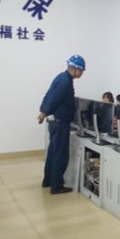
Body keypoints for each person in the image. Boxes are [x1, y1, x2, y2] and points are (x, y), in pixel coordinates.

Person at [38, 55, 85, 195]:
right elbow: (53, 98)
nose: (82, 73)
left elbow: (48, 95)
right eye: (81, 70)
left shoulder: (62, 78)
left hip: (55, 121)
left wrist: (43, 110)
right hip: (60, 123)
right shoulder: (65, 81)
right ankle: (57, 186)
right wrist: (44, 112)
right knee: (60, 154)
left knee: (53, 152)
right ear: (74, 69)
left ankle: (48, 181)